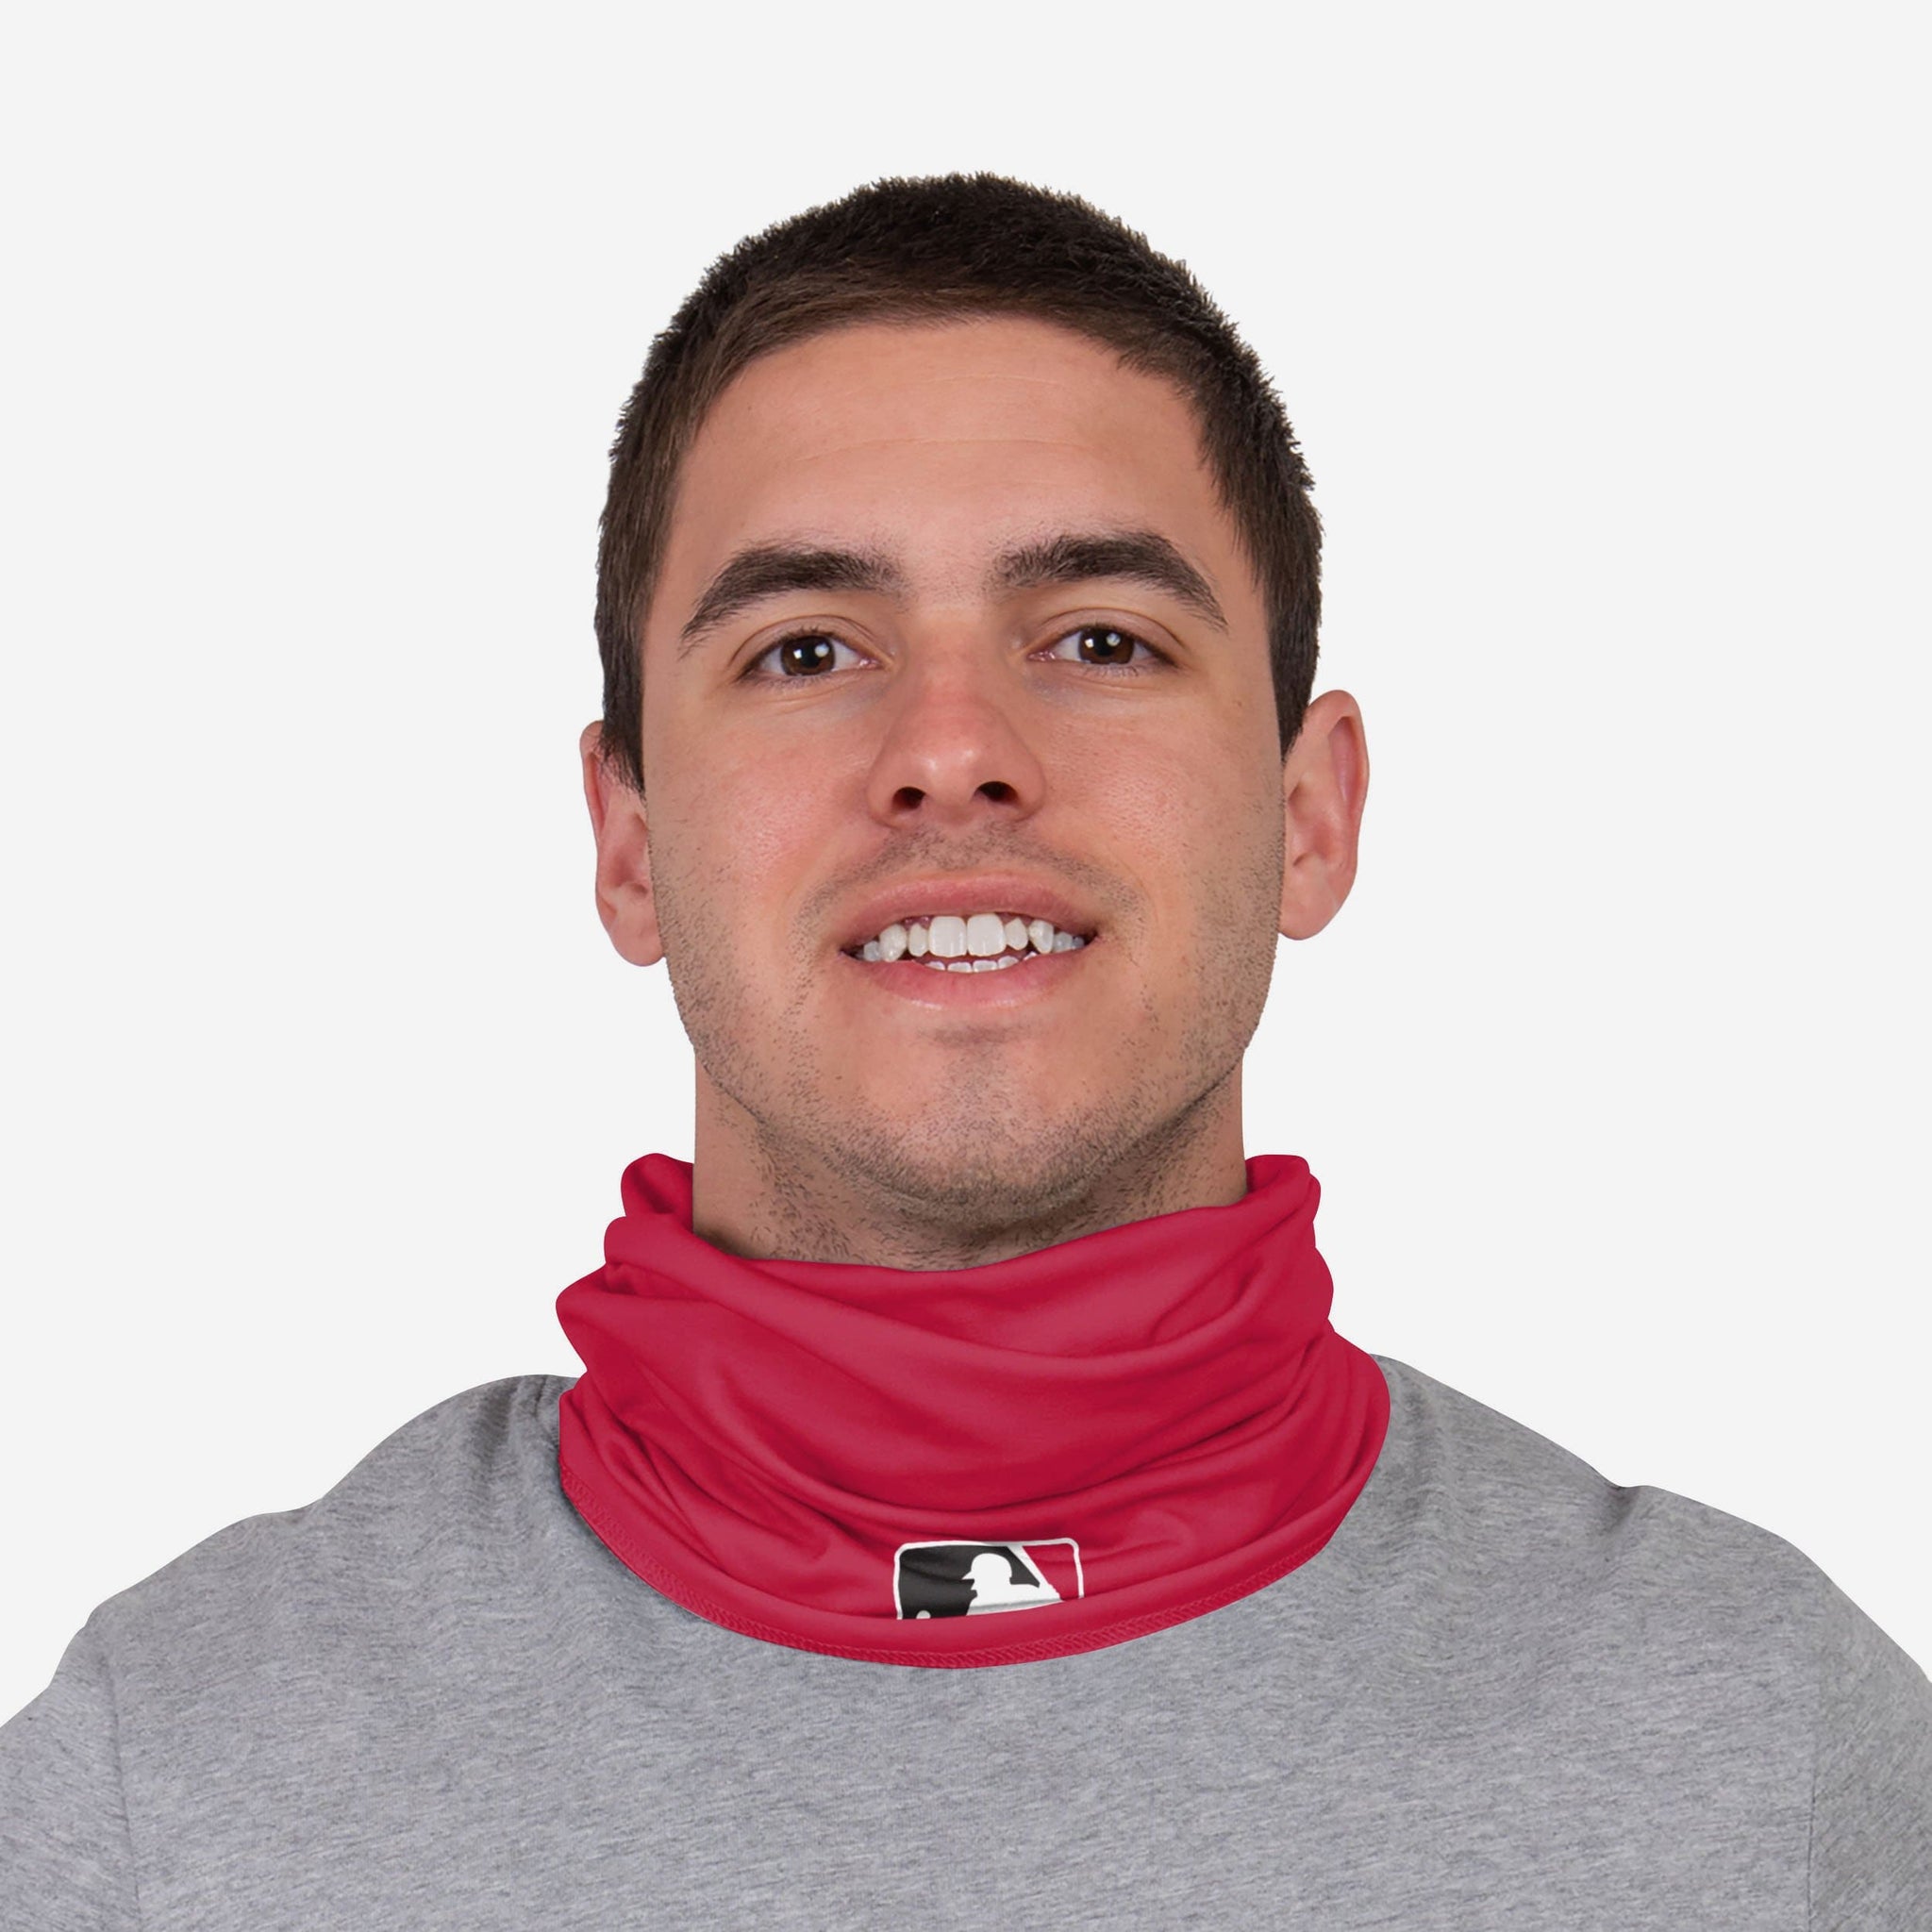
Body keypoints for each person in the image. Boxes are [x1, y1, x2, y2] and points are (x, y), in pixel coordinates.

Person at [3, 172, 1926, 1928]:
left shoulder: (1772, 1755)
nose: (950, 748)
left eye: (1097, 639)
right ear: (629, 842)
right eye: (805, 650)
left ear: (1309, 815)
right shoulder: (166, 1787)